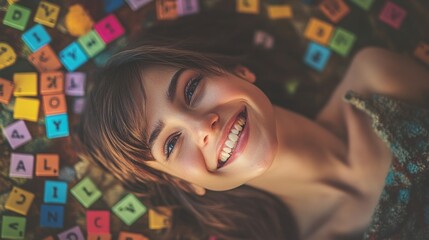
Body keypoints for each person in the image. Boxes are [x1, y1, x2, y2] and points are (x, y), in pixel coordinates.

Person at [78, 15, 429, 240]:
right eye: (170, 145)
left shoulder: (378, 78)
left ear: (238, 71)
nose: (202, 126)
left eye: (191, 89)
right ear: (185, 182)